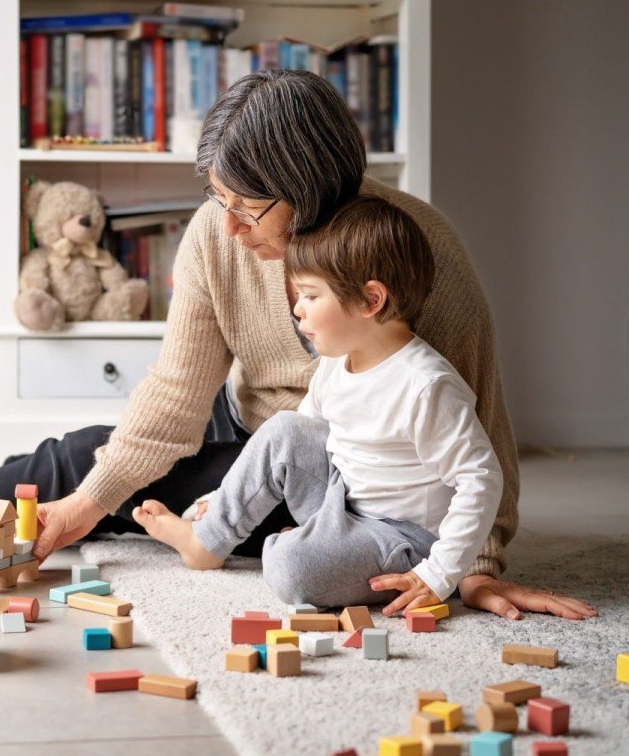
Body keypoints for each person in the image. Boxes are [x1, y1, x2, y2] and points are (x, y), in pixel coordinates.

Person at [0, 70, 596, 622]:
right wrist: (87, 501)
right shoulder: (217, 233)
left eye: (247, 208)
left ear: (311, 189)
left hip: (355, 479)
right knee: (85, 460)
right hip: (257, 427)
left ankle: (160, 522)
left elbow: (480, 431)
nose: (228, 227)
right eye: (218, 200)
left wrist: (473, 568)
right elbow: (177, 393)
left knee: (185, 507)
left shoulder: (420, 249)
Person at [134, 194, 499, 614]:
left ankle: (308, 547)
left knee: (290, 568)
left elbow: (481, 479)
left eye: (310, 295)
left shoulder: (426, 386)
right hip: (342, 502)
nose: (297, 309)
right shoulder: (336, 363)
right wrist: (220, 499)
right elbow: (295, 441)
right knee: (284, 428)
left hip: (403, 538)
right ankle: (207, 541)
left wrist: (438, 574)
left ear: (371, 300)